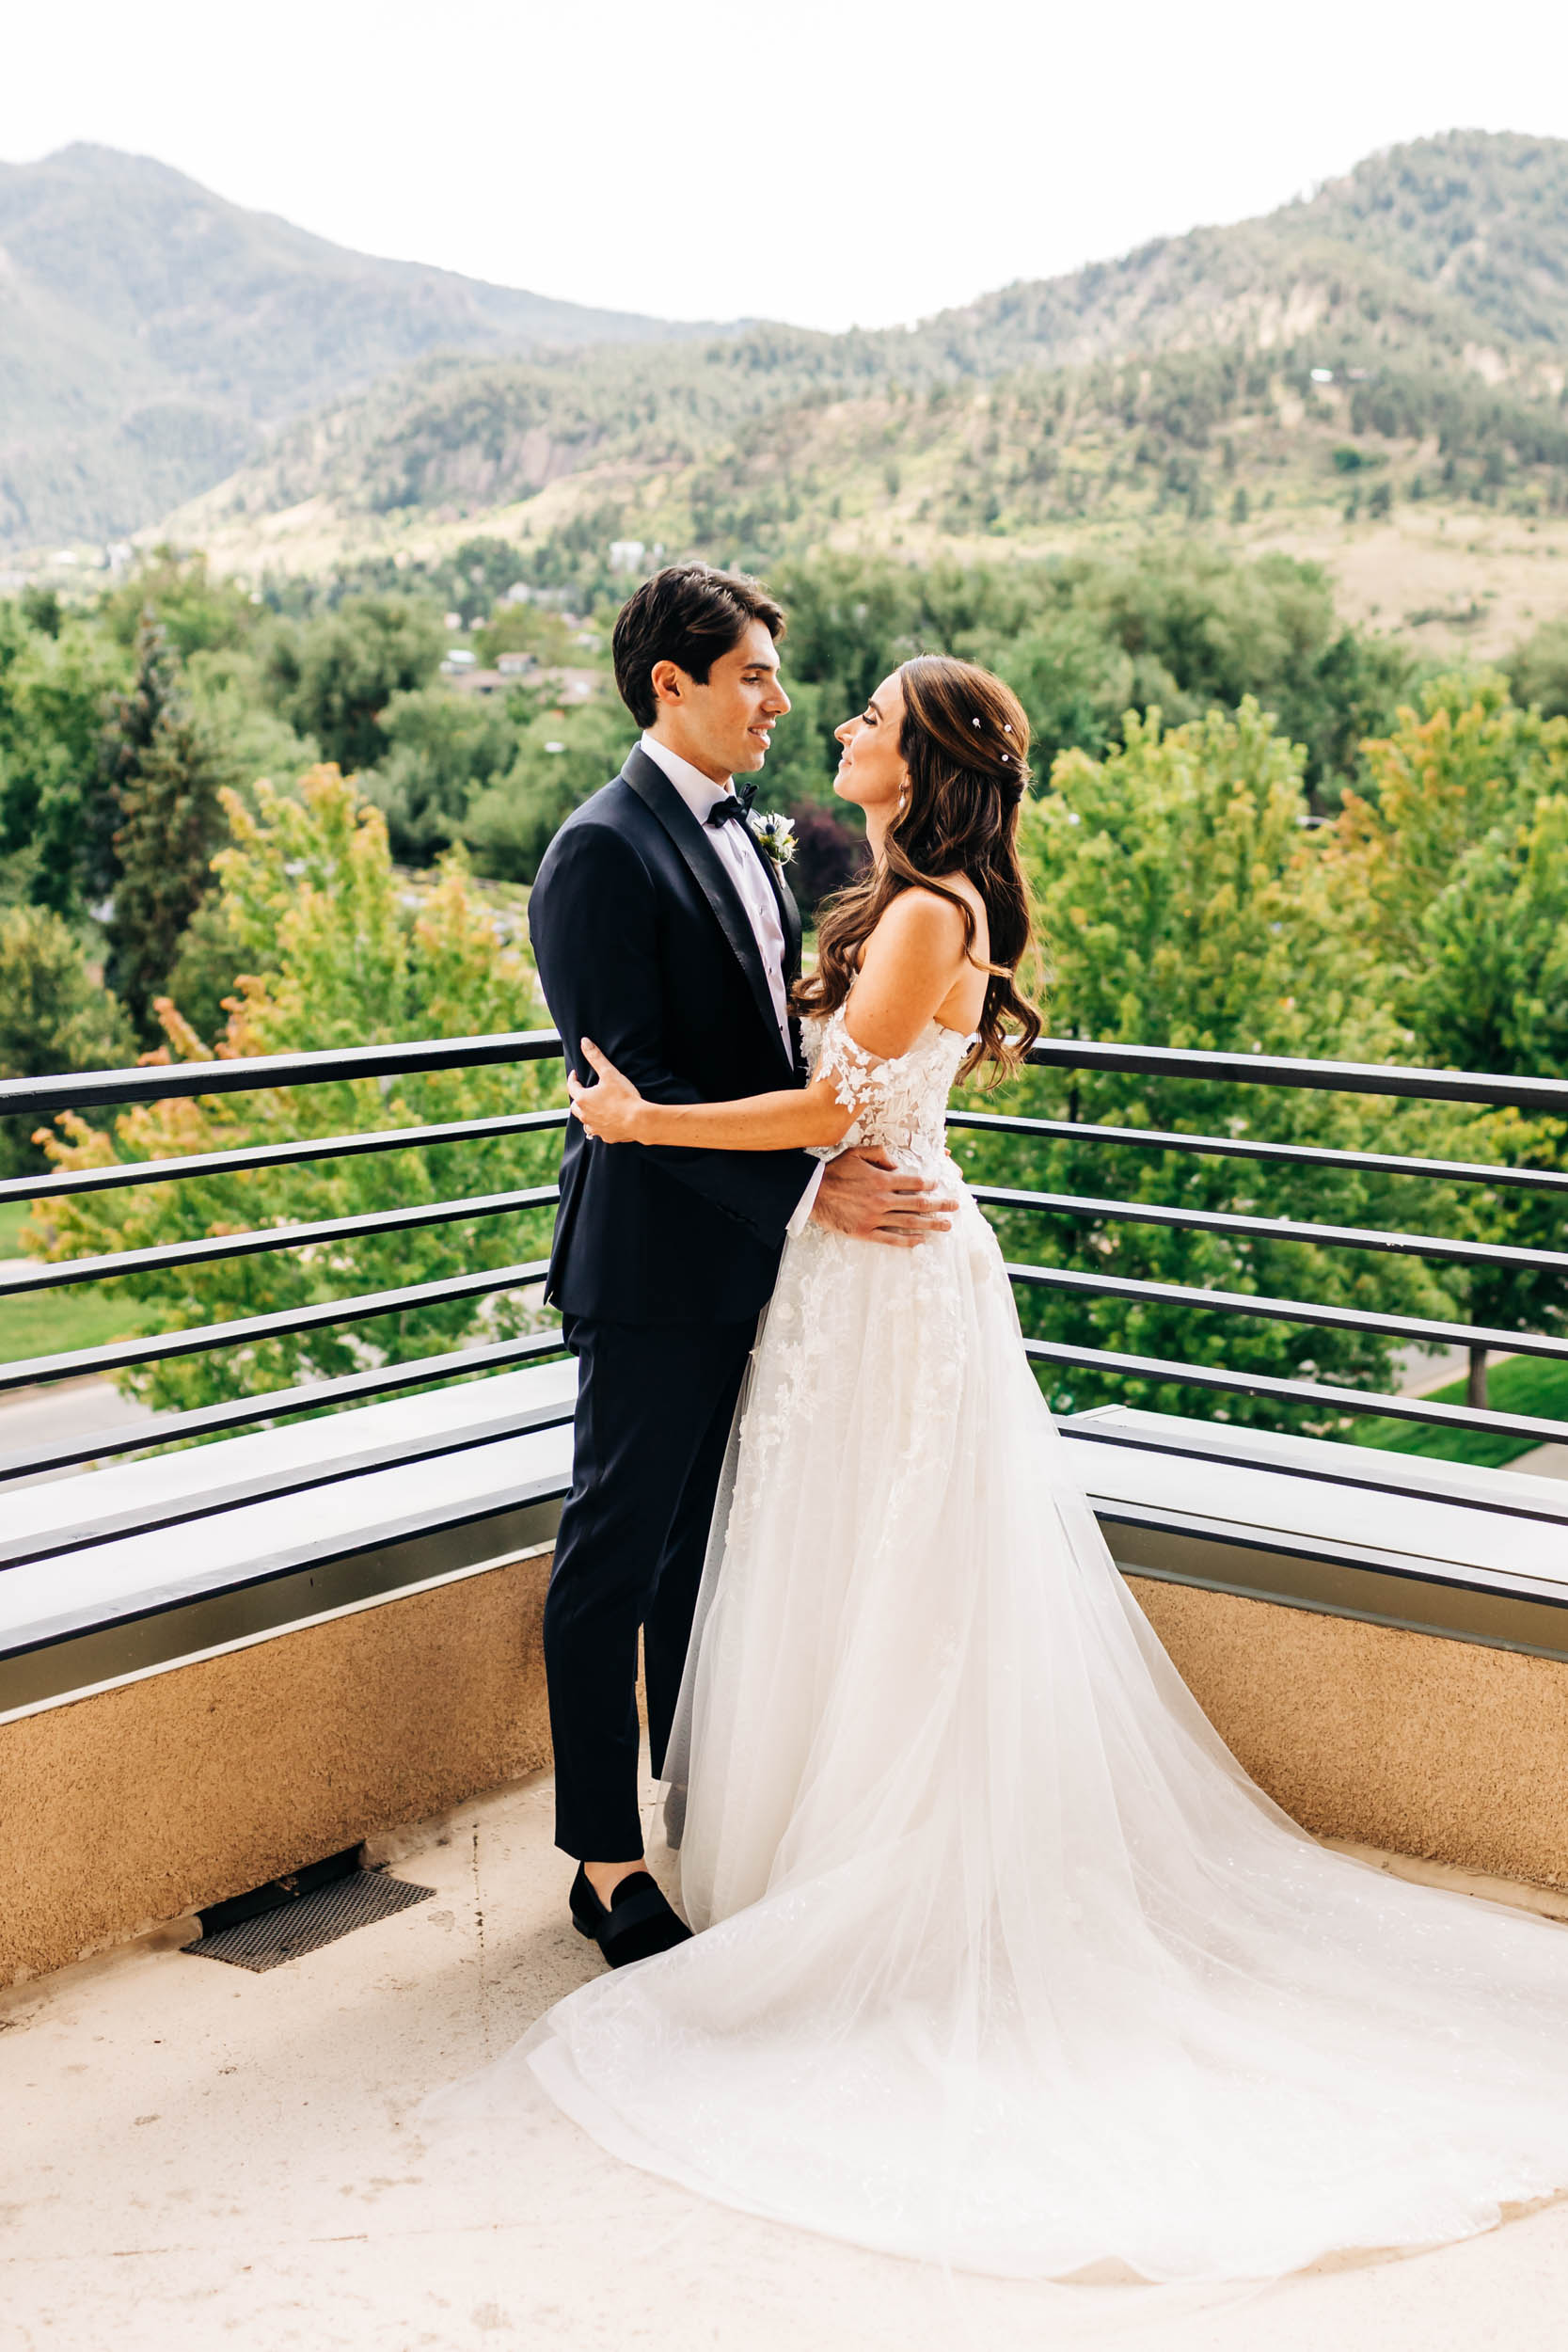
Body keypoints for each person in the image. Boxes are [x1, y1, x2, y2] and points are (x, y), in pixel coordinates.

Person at [460, 651, 1568, 2285]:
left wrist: (640, 1131)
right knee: (853, 1569)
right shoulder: (907, 894)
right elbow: (840, 1114)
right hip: (855, 1266)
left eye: (867, 719)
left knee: (898, 1573)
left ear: (923, 762)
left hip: (890, 1283)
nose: (837, 726)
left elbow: (830, 1111)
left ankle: (884, 1890)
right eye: (812, 700)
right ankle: (810, 1857)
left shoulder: (926, 917)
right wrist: (800, 1158)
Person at [526, 564, 956, 1970]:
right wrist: (810, 1179)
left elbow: (784, 1052)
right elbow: (626, 1087)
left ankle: (708, 1814)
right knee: (613, 1556)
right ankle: (603, 1861)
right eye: (756, 674)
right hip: (651, 1269)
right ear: (675, 684)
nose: (780, 698)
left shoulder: (749, 836)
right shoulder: (600, 850)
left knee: (707, 1564)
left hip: (759, 1270)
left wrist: (815, 1168)